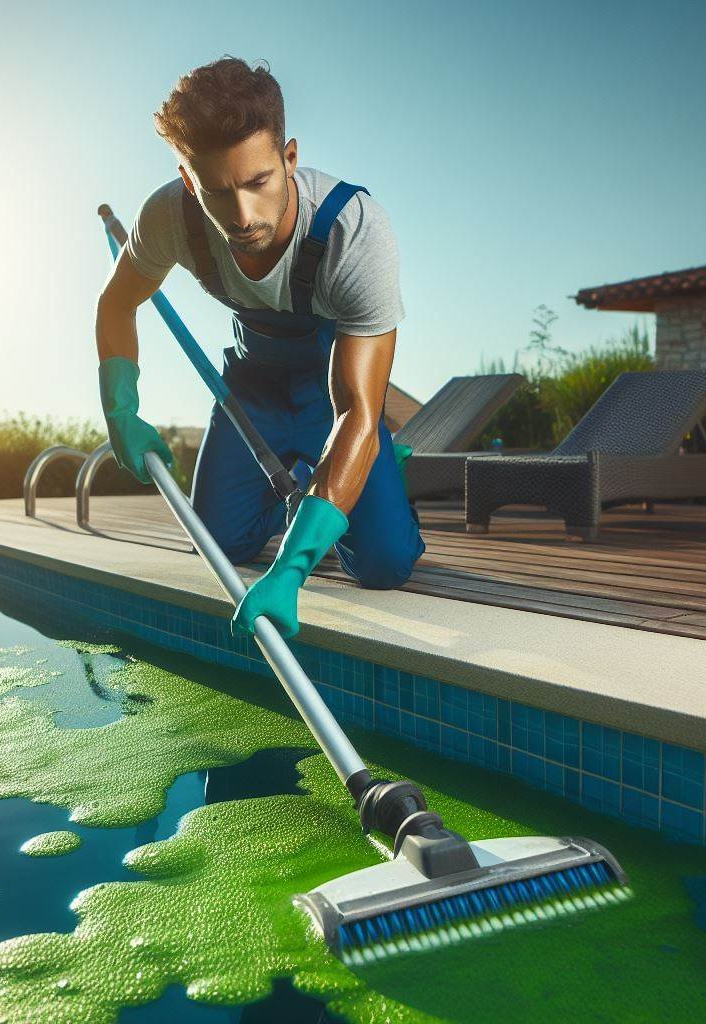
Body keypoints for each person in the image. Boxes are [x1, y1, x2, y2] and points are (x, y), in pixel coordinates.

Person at [95, 56, 424, 641]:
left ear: (289, 159)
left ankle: (375, 478)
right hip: (252, 392)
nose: (243, 216)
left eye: (258, 183)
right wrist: (120, 411)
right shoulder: (171, 215)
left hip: (337, 399)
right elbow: (117, 303)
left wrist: (292, 570)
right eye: (219, 192)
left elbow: (359, 412)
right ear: (191, 181)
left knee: (385, 565)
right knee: (219, 544)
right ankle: (307, 500)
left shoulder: (355, 233)